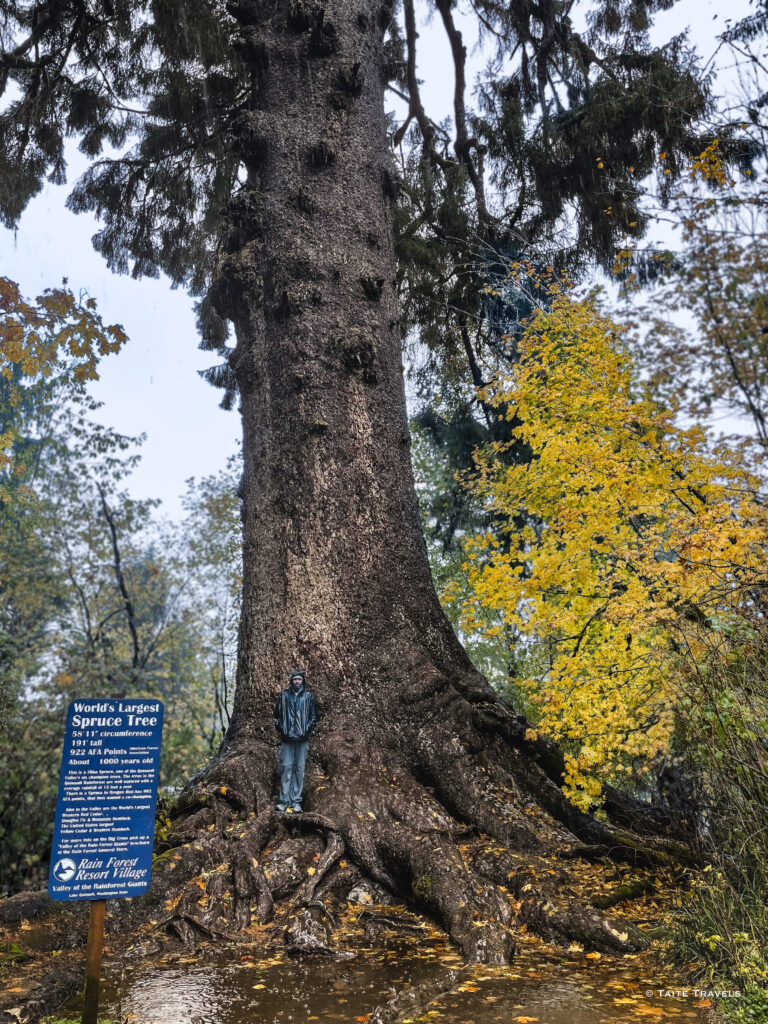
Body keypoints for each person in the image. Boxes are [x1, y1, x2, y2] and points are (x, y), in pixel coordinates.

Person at [274, 668, 318, 813]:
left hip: (302, 739)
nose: (297, 682)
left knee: (299, 769)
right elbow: (277, 716)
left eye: (299, 679)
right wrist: (283, 730)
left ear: (303, 681)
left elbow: (313, 717)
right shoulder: (284, 696)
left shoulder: (308, 697)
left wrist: (305, 730)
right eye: (295, 679)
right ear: (291, 681)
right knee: (286, 768)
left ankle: (296, 801)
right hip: (287, 739)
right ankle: (284, 801)